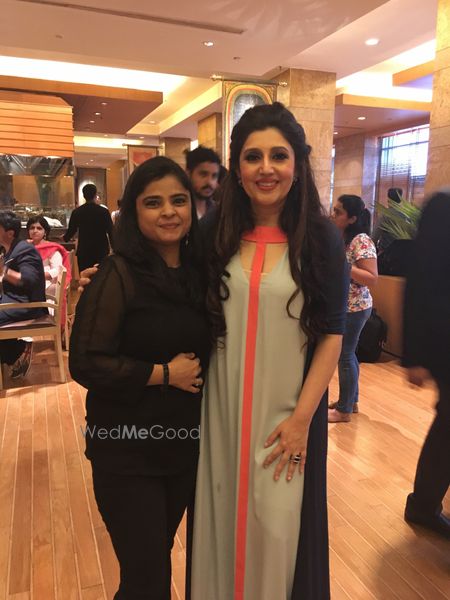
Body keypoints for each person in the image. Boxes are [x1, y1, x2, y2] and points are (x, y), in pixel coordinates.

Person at [191, 102, 348, 599]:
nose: (266, 168)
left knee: (280, 529)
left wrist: (303, 419)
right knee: (219, 522)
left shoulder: (321, 240)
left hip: (287, 419)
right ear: (236, 169)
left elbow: (333, 334)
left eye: (278, 156)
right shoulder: (213, 234)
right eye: (252, 156)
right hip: (219, 413)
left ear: (297, 165)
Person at [69, 157, 211, 599]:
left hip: (183, 447)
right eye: (153, 202)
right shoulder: (117, 273)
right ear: (133, 211)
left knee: (147, 569)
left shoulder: (199, 274)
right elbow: (86, 362)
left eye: (178, 200)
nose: (168, 211)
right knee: (148, 578)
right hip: (126, 449)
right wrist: (163, 374)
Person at [402, 189, 450, 540]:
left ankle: (423, 504)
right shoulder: (442, 206)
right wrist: (414, 357)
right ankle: (422, 505)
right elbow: (418, 283)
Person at [328, 195, 378, 422]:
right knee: (348, 354)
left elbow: (371, 277)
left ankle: (344, 410)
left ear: (352, 218)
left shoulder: (361, 240)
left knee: (344, 355)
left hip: (355, 308)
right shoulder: (342, 237)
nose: (333, 215)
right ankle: (350, 401)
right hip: (345, 306)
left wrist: (343, 266)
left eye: (338, 212)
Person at [0, 211, 47, 379]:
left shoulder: (24, 250)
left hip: (28, 305)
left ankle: (17, 353)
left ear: (9, 233)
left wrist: (4, 271)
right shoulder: (10, 249)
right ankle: (13, 354)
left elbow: (29, 280)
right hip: (13, 300)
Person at [63, 183, 113, 272]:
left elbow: (71, 231)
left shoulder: (77, 212)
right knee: (102, 276)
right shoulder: (104, 211)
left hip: (84, 251)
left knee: (84, 276)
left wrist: (65, 238)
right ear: (95, 195)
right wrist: (115, 248)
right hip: (101, 250)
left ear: (84, 195)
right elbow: (111, 231)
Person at [27, 215, 72, 292]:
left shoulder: (52, 248)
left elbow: (58, 270)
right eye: (32, 228)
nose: (35, 231)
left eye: (39, 228)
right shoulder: (24, 247)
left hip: (46, 284)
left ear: (45, 232)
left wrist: (38, 276)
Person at [185, 146, 221, 219]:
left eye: (214, 176)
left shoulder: (219, 212)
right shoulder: (181, 212)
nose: (209, 182)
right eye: (203, 175)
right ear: (188, 174)